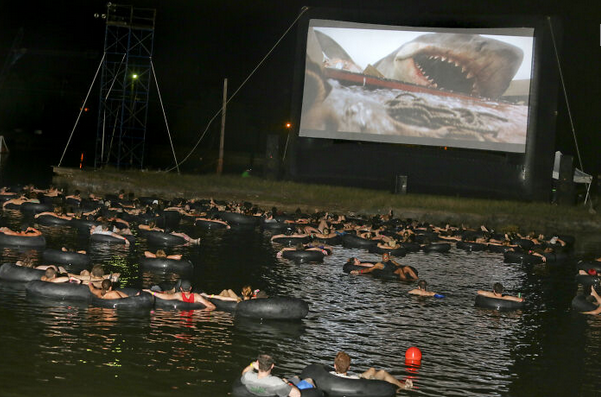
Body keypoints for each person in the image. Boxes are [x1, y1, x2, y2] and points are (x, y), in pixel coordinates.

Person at [330, 351, 412, 390]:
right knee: (382, 373)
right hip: (360, 382)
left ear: (335, 366)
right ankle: (404, 387)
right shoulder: (353, 379)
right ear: (349, 368)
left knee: (372, 370)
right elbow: (359, 381)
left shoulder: (330, 374)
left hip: (354, 378)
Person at [241, 354, 307, 397]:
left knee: (295, 378)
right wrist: (287, 383)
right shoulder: (276, 382)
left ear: (257, 363)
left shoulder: (248, 377)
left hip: (259, 391)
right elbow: (297, 394)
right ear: (272, 366)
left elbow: (245, 372)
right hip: (276, 390)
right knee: (303, 379)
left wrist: (252, 365)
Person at [146, 280, 215, 311]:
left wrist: (152, 293)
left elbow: (166, 297)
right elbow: (211, 306)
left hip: (181, 315)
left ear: (181, 288)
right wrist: (200, 311)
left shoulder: (179, 296)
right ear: (190, 288)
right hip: (192, 317)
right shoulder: (196, 296)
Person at [350, 253, 418, 281]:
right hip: (391, 272)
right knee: (400, 270)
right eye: (384, 257)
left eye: (386, 257)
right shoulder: (380, 264)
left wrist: (404, 267)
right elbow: (369, 269)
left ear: (388, 257)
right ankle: (405, 281)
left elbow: (399, 265)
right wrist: (358, 272)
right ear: (382, 258)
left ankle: (416, 279)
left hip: (396, 269)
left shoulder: (392, 261)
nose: (385, 258)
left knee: (407, 268)